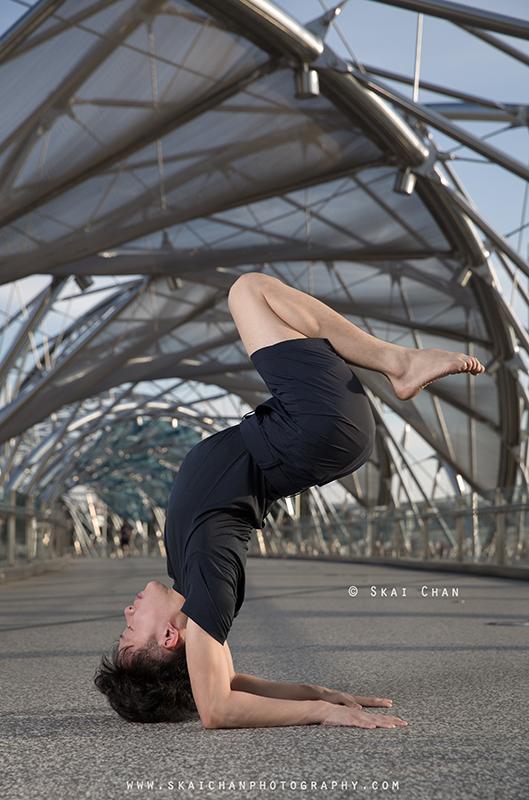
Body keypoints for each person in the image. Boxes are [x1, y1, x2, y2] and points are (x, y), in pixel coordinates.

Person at [95, 272, 484, 728]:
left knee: (254, 294)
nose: (126, 611)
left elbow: (230, 680)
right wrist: (320, 713)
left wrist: (320, 694)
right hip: (310, 431)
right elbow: (217, 708)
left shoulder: (190, 583)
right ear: (166, 636)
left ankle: (401, 363)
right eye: (128, 629)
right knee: (248, 290)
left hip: (309, 434)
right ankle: (400, 363)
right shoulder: (207, 574)